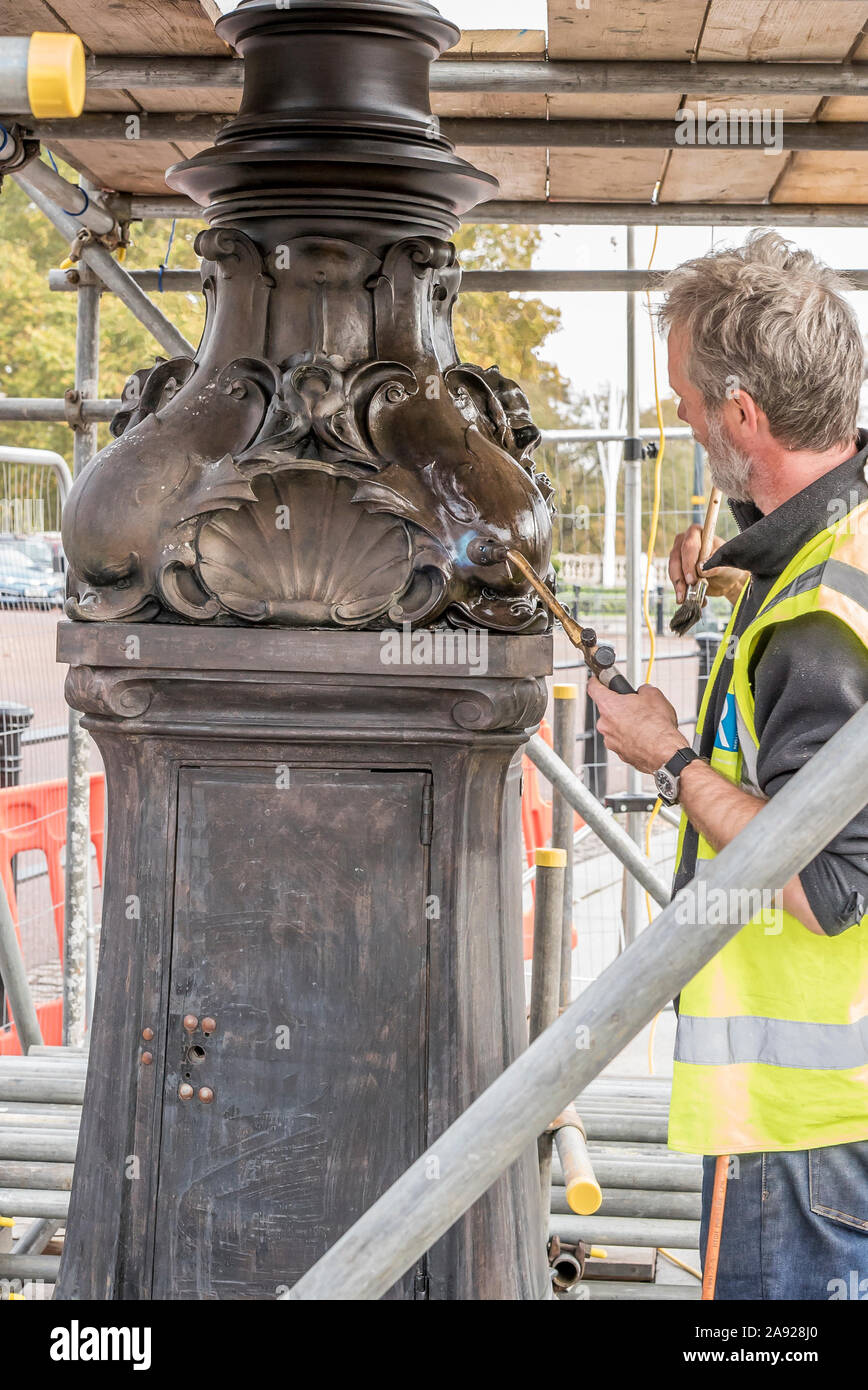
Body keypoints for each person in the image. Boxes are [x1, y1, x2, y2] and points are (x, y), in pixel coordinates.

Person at [588, 231, 868, 1300]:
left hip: (802, 1123)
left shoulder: (816, 618)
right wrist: (732, 558)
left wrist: (666, 758)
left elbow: (819, 884)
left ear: (742, 414)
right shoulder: (825, 557)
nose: (678, 418)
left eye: (687, 401)